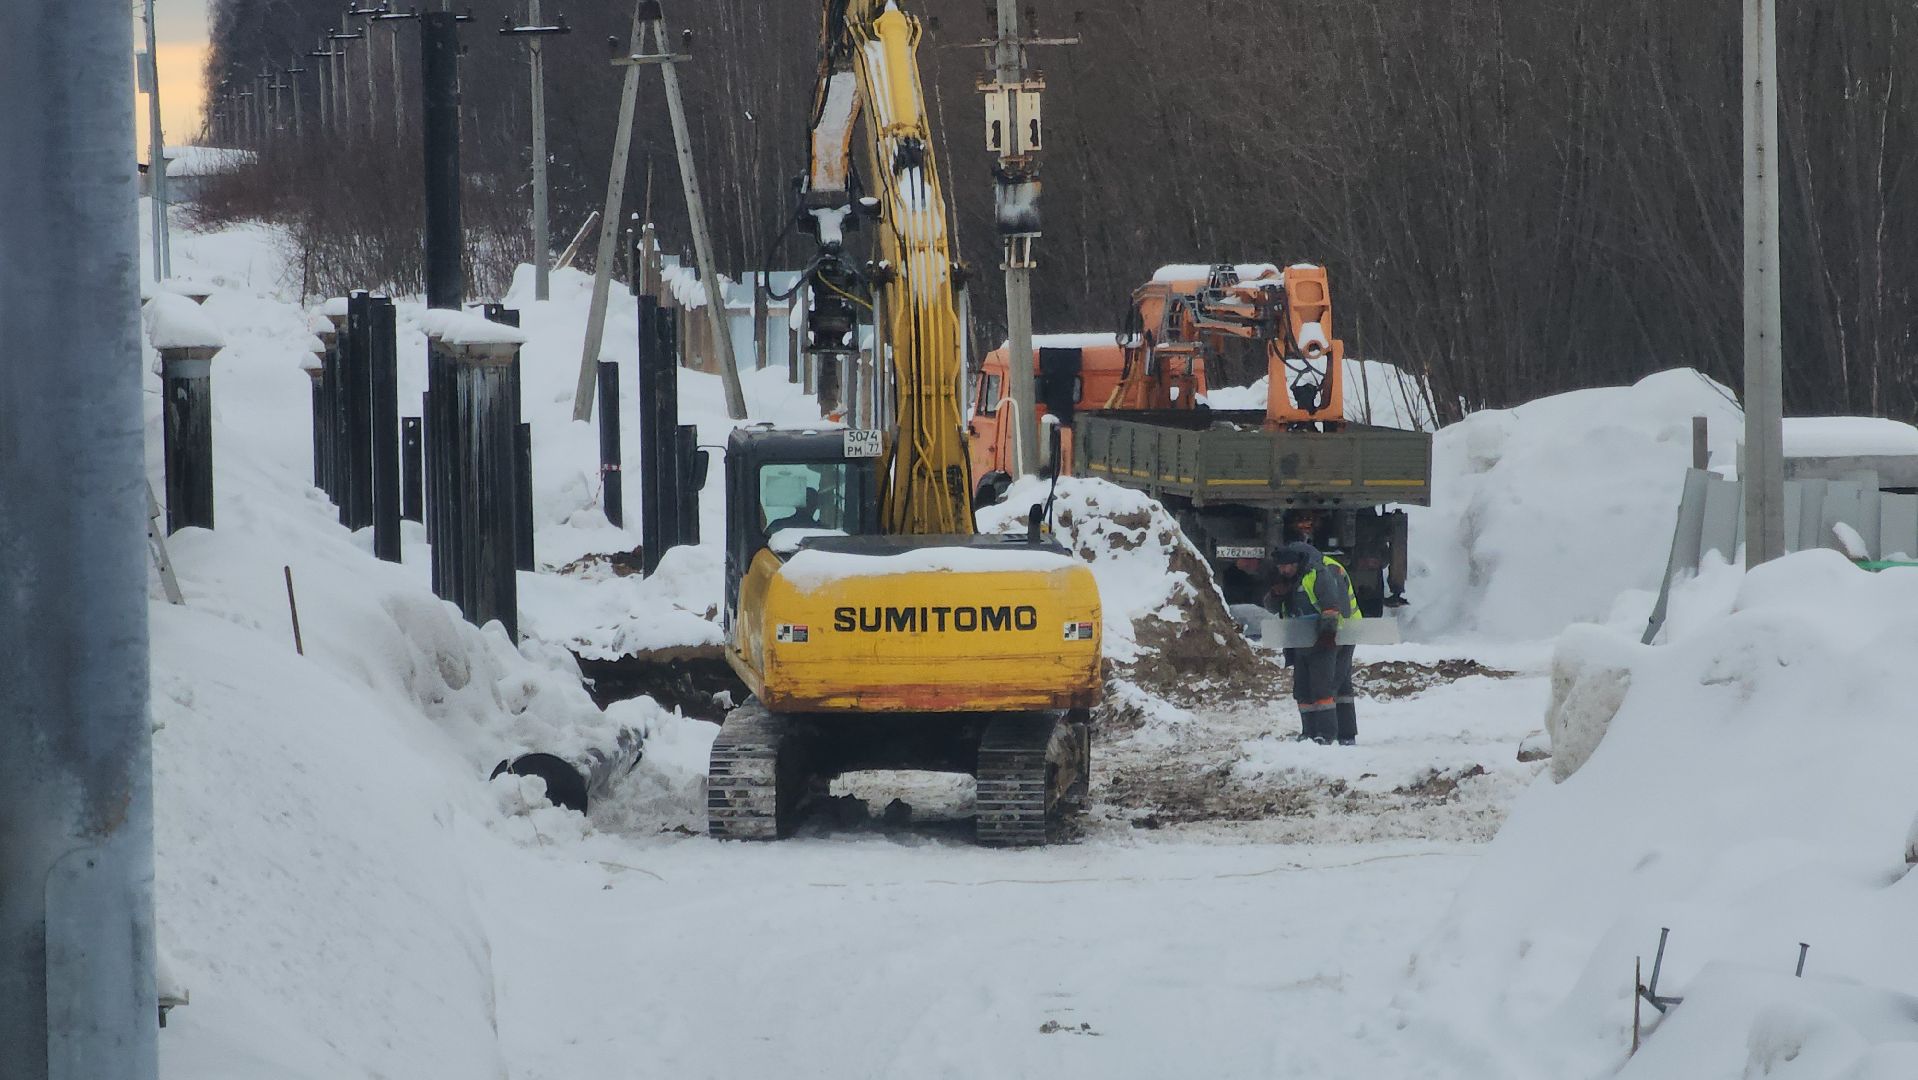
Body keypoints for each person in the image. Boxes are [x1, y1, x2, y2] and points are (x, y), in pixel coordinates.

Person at [1264, 541, 1361, 745]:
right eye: (1281, 566)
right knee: (1305, 689)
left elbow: (1334, 607)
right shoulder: (1291, 578)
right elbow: (1275, 607)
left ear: (1298, 561)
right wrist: (1275, 595)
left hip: (1337, 635)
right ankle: (1312, 732)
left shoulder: (1323, 571)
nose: (1283, 570)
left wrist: (1329, 634)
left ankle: (1330, 734)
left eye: (1287, 565)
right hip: (1305, 639)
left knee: (1326, 686)